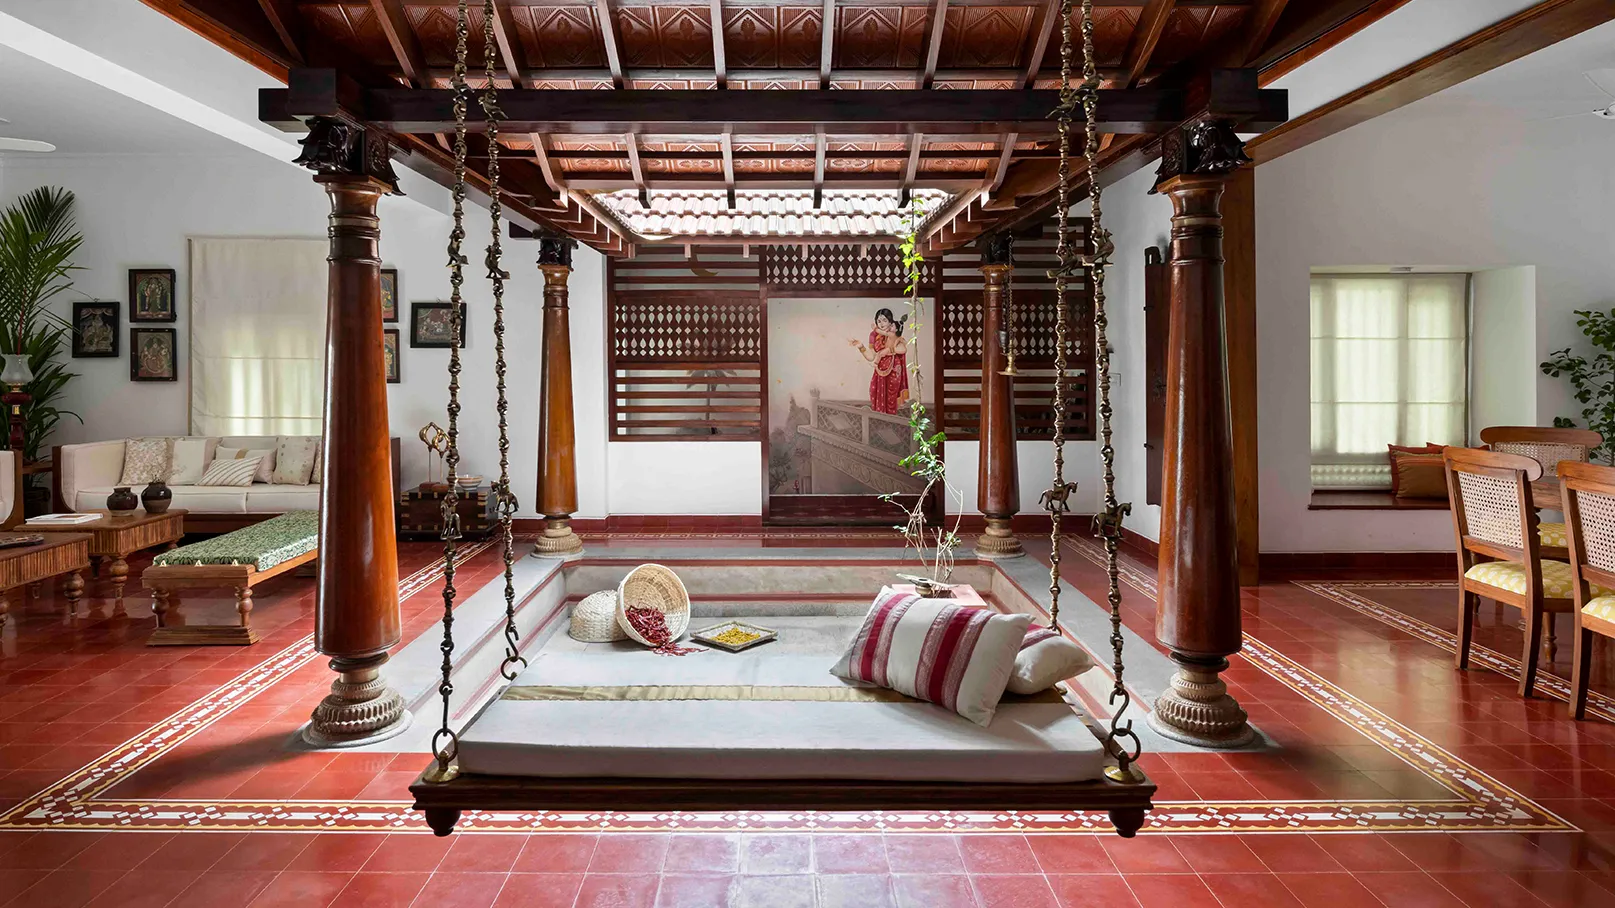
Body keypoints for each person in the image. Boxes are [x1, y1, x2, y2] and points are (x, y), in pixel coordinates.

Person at [848, 307, 909, 415]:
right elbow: (871, 356)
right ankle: (880, 422)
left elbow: (903, 349)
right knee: (874, 392)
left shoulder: (894, 333)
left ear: (891, 322)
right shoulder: (874, 335)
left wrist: (888, 350)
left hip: (893, 369)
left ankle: (891, 422)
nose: (881, 324)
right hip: (879, 369)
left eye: (884, 320)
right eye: (879, 321)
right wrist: (861, 347)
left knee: (891, 397)